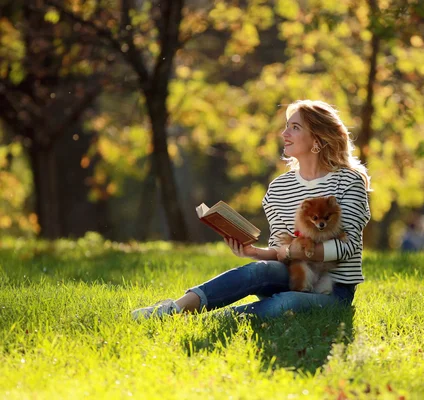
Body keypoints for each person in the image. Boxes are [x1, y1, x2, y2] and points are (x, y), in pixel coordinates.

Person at [131, 100, 372, 320]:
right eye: (286, 126)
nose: (284, 134)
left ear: (317, 138)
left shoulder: (348, 181)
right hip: (293, 275)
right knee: (258, 271)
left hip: (333, 290)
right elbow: (280, 250)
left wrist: (295, 252)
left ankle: (208, 321)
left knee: (285, 303)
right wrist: (253, 251)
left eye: (295, 128)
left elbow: (348, 247)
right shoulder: (279, 187)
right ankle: (173, 309)